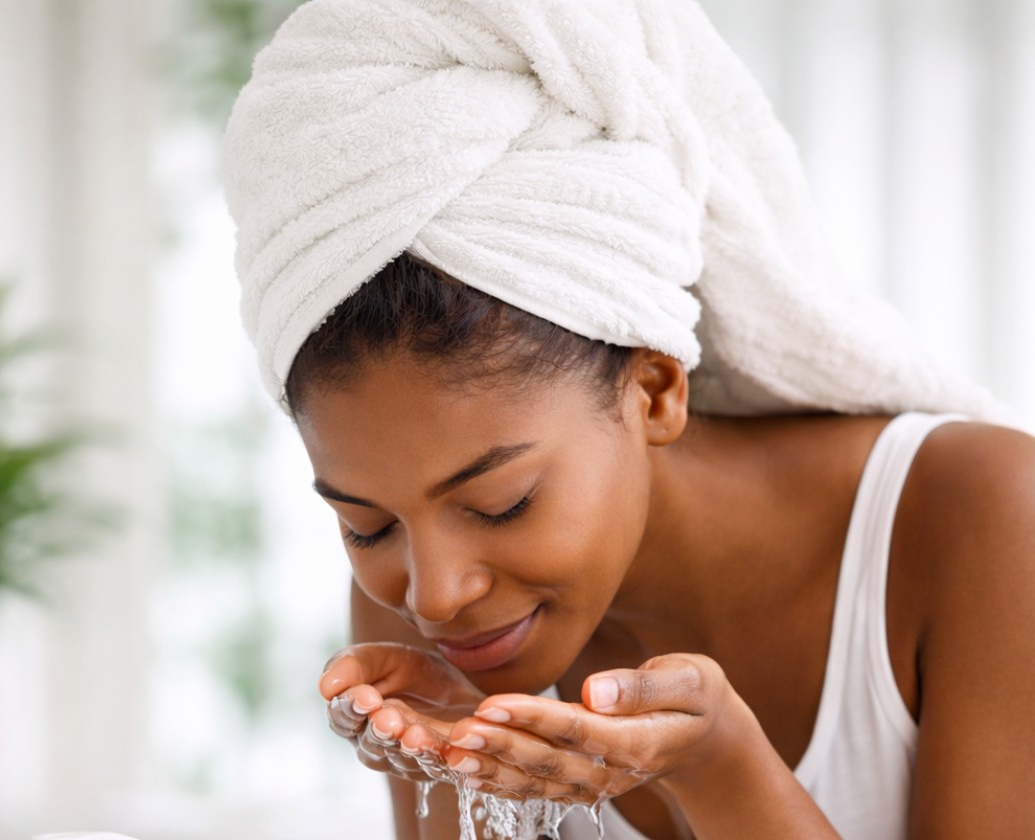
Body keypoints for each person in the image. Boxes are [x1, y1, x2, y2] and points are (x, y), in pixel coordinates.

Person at [222, 2, 1035, 838]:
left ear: (654, 390)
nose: (433, 594)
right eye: (363, 525)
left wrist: (721, 774)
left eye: (501, 502)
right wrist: (470, 785)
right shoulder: (429, 610)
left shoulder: (982, 517)